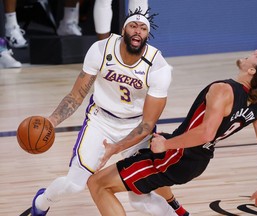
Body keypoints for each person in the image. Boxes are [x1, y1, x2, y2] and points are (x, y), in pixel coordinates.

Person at [30, 8, 188, 216]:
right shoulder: (101, 50)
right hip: (100, 121)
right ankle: (42, 202)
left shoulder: (158, 67)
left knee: (140, 200)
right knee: (75, 184)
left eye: (142, 28)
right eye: (133, 26)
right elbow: (76, 95)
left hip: (136, 127)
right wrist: (52, 120)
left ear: (147, 35)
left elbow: (148, 124)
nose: (137, 31)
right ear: (123, 30)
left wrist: (117, 147)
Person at [87, 50, 257, 215]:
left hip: (178, 156)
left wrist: (166, 145)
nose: (255, 51)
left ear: (251, 70)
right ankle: (177, 209)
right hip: (196, 160)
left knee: (97, 184)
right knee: (148, 147)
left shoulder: (224, 90)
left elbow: (206, 133)